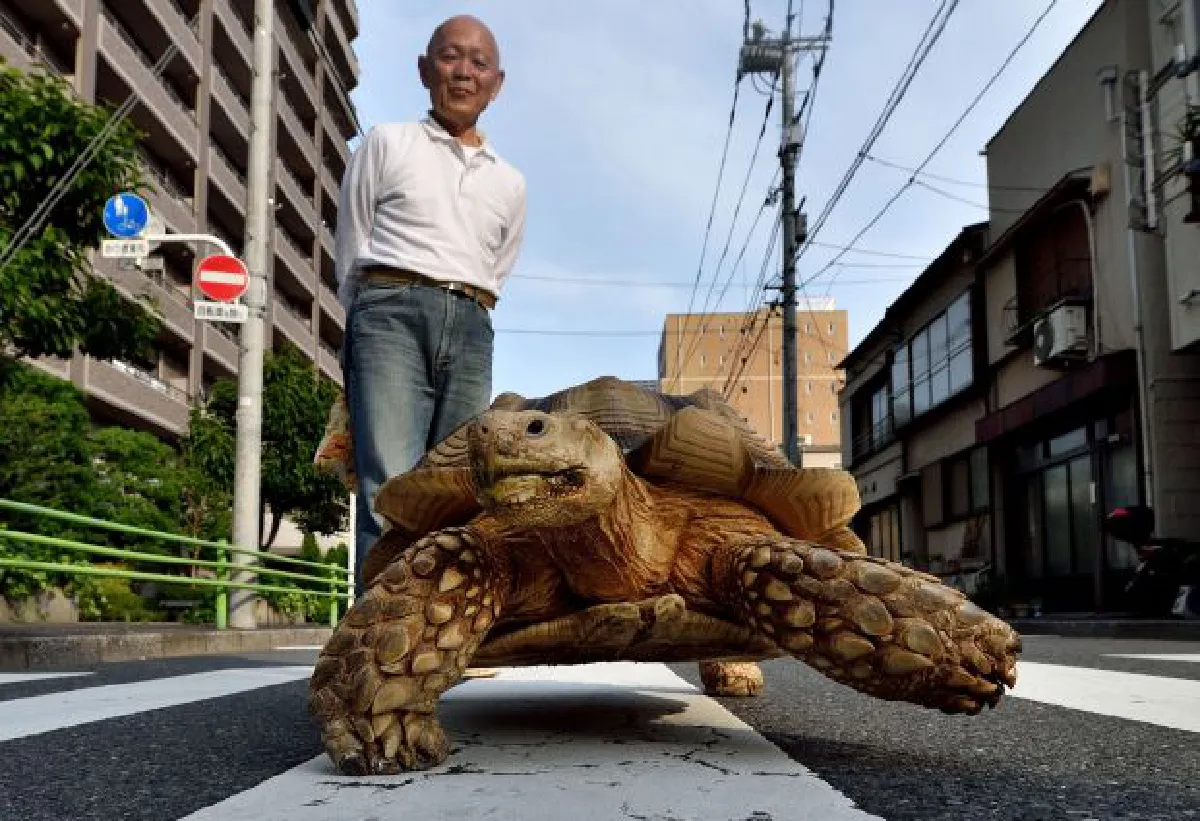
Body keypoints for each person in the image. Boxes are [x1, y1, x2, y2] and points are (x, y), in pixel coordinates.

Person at [334, 15, 527, 595]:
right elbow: (352, 241)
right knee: (390, 486)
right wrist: (369, 315)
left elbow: (498, 265)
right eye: (450, 56)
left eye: (479, 62)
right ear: (425, 68)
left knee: (457, 488)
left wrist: (462, 301)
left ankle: (430, 633)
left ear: (497, 82)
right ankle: (374, 645)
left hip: (471, 322)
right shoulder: (388, 142)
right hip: (387, 308)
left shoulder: (510, 182)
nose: (464, 71)